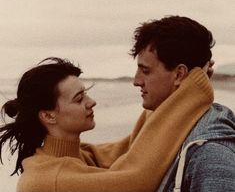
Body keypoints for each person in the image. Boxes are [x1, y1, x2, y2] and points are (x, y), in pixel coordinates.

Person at [0, 54, 213, 192]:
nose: (91, 102)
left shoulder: (75, 156)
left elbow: (134, 146)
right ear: (48, 116)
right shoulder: (48, 180)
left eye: (87, 94)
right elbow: (137, 179)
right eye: (79, 99)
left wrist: (174, 92)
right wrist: (189, 94)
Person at [129, 15, 235, 191]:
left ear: (179, 74)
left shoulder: (209, 153)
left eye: (145, 71)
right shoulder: (166, 129)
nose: (136, 81)